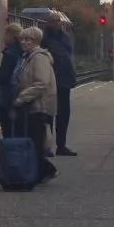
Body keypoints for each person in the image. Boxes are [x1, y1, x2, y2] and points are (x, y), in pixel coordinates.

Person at [13, 26, 59, 183]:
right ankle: (40, 172)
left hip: (40, 105)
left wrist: (22, 97)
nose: (24, 42)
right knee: (35, 141)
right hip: (34, 104)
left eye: (28, 39)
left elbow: (41, 83)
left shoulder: (39, 58)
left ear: (36, 41)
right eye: (22, 39)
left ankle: (46, 171)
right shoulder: (30, 57)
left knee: (36, 141)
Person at [40, 14, 77, 156]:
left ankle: (61, 145)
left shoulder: (65, 37)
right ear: (48, 22)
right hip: (51, 81)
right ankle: (46, 146)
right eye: (54, 21)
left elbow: (68, 56)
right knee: (48, 114)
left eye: (58, 21)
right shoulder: (44, 39)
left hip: (65, 81)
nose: (57, 24)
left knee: (64, 114)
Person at [0, 22, 25, 137]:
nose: (3, 38)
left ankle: (10, 152)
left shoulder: (9, 53)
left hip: (9, 96)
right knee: (19, 129)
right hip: (21, 94)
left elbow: (4, 75)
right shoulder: (23, 52)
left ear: (11, 36)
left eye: (5, 35)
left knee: (8, 129)